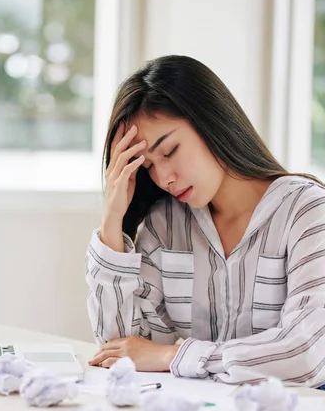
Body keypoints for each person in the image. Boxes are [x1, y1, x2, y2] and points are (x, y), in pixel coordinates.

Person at [85, 55, 325, 387]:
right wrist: (113, 220)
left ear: (210, 122)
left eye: (169, 151)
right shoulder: (165, 225)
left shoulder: (308, 212)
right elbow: (121, 348)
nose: (164, 177)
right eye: (147, 167)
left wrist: (172, 356)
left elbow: (307, 353)